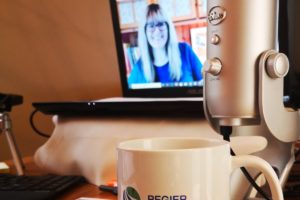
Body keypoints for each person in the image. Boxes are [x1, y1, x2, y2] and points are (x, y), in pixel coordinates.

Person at [128, 3, 203, 84]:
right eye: (151, 26)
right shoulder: (139, 68)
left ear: (168, 27)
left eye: (160, 24)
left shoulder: (185, 51)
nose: (157, 31)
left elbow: (207, 82)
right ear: (145, 32)